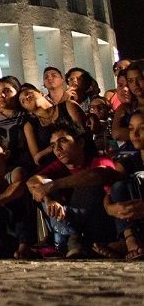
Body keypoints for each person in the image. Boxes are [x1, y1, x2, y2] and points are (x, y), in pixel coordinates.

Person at [27, 121, 119, 257]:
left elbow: (98, 174)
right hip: (70, 229)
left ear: (81, 143)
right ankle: (72, 239)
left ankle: (63, 241)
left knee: (86, 184)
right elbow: (32, 182)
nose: (57, 149)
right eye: (53, 146)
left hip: (98, 227)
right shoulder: (57, 166)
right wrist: (49, 198)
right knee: (43, 185)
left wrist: (52, 185)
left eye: (63, 141)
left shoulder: (98, 161)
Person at [99, 110, 144, 260]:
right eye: (131, 129)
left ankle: (128, 244)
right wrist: (111, 208)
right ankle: (130, 240)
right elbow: (111, 191)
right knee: (119, 186)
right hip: (134, 219)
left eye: (142, 128)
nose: (135, 134)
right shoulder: (130, 160)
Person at [21, 83, 87, 167]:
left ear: (42, 94)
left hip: (83, 157)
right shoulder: (30, 126)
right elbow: (37, 158)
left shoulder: (68, 106)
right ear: (27, 110)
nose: (26, 98)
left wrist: (46, 151)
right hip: (55, 165)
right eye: (23, 101)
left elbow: (81, 133)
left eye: (27, 94)